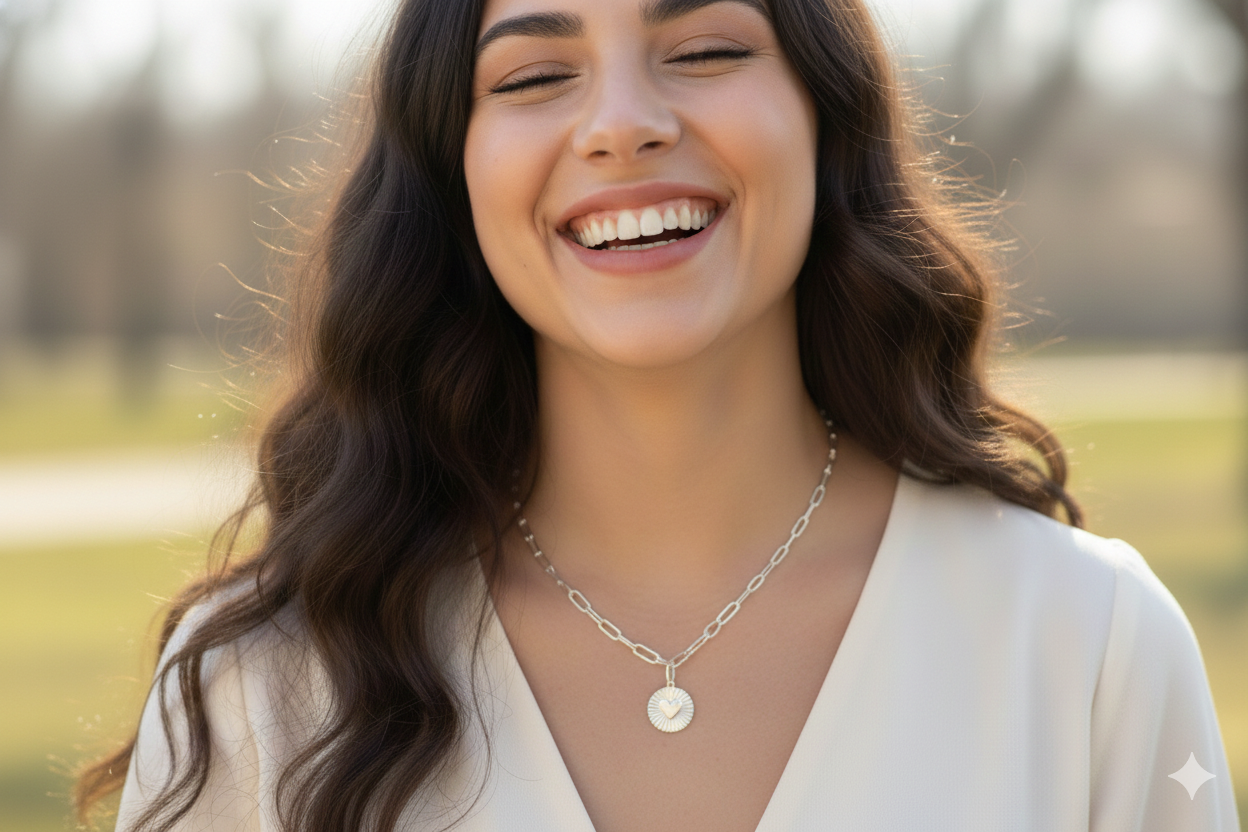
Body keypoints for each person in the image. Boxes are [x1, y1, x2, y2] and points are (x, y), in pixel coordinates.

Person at [76, 0, 1240, 829]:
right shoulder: (268, 686)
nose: (622, 122)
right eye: (534, 75)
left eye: (707, 48)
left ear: (828, 118)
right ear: (451, 172)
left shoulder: (1090, 645)